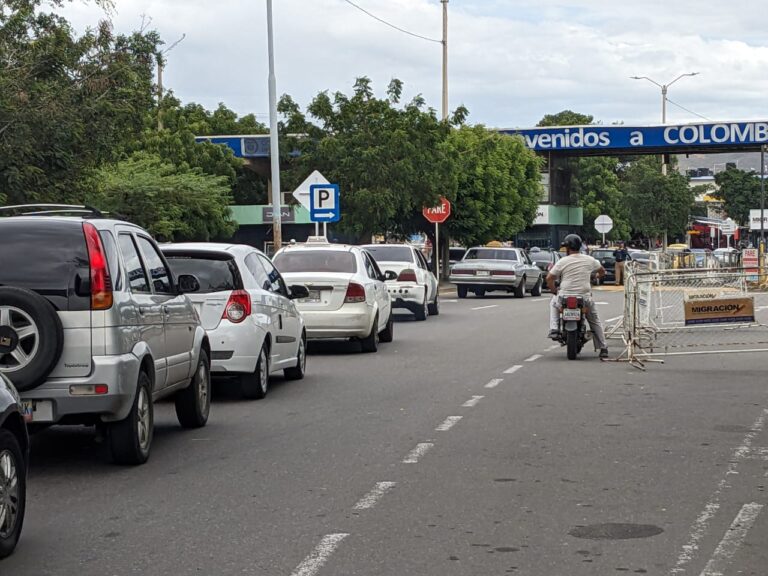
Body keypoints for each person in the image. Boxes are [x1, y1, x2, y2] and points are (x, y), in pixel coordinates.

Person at [546, 234, 609, 359]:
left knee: (553, 302)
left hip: (564, 296)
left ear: (568, 248)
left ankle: (554, 329)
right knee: (594, 320)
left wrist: (553, 290)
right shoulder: (590, 260)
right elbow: (602, 271)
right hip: (584, 298)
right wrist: (595, 277)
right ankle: (603, 347)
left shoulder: (563, 261)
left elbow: (549, 278)